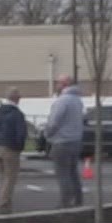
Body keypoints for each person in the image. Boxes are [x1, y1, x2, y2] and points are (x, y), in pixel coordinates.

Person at [44, 76, 86, 209]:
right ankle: (78, 199)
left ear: (64, 84)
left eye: (58, 82)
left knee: (63, 173)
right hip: (76, 140)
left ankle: (65, 201)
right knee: (73, 172)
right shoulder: (78, 101)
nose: (56, 85)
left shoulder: (62, 101)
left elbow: (54, 121)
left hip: (62, 141)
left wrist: (47, 134)